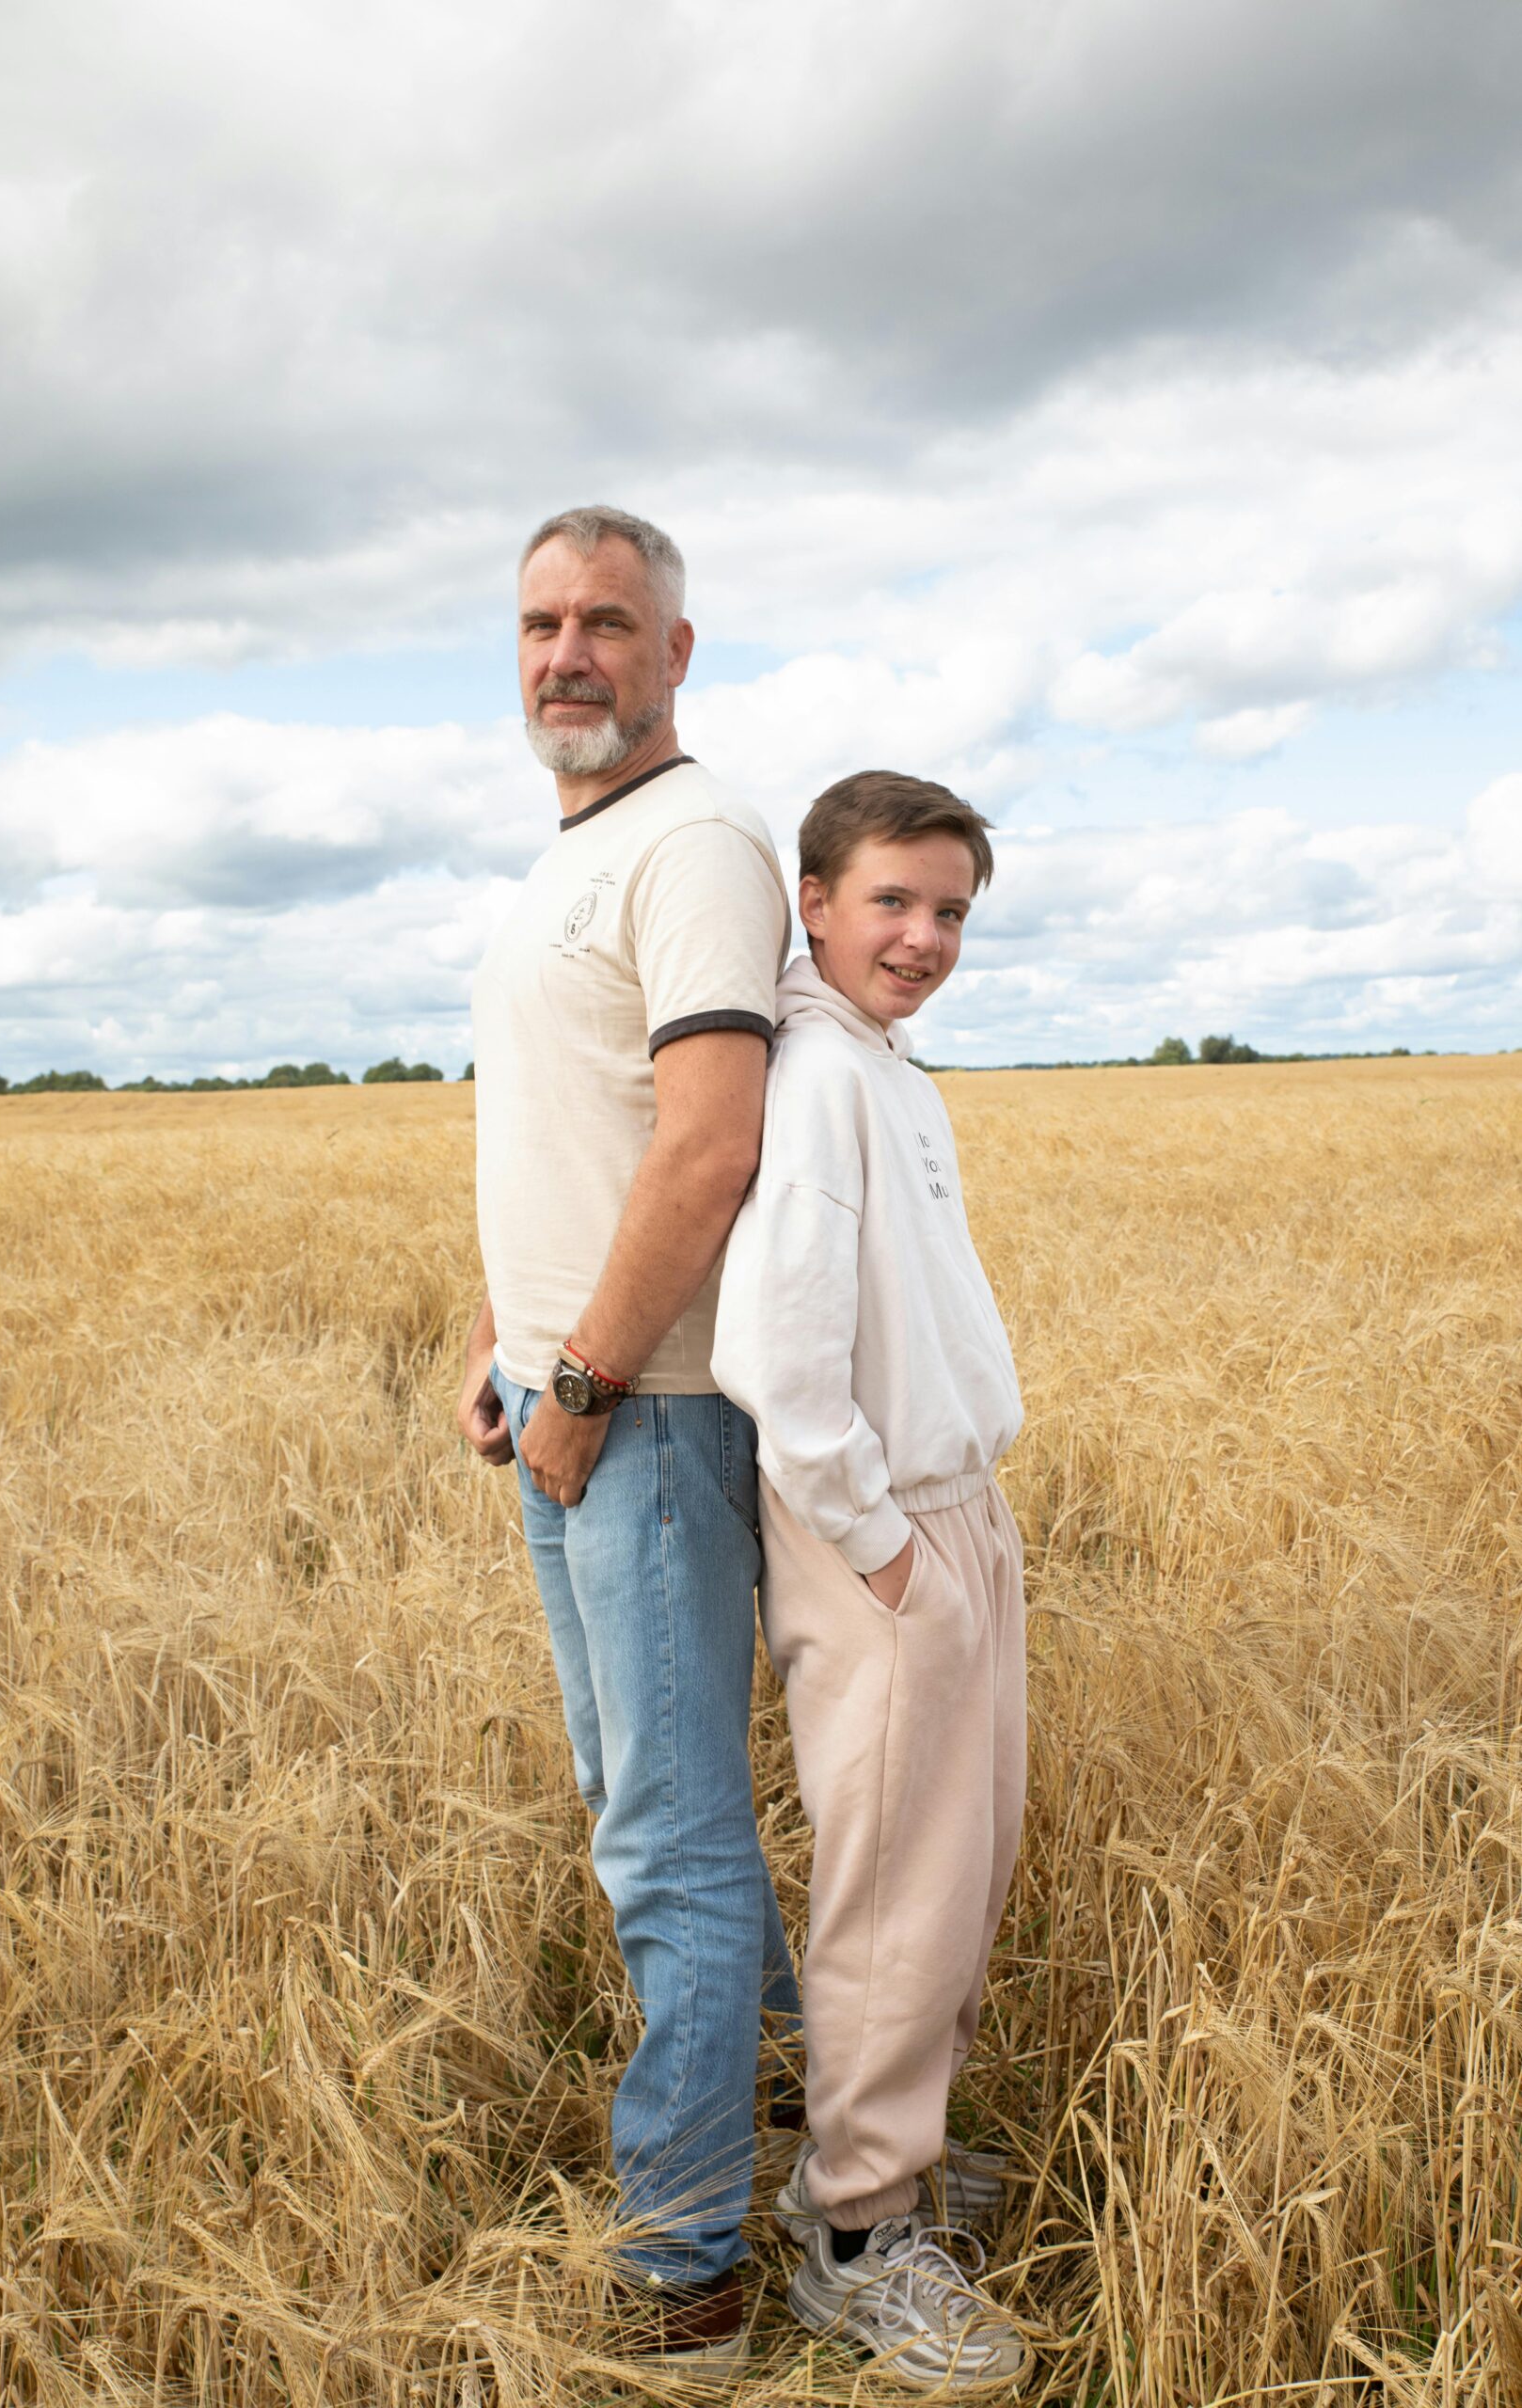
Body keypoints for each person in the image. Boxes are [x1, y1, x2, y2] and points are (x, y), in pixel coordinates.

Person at [458, 504, 799, 2376]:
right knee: (643, 1811)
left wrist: (582, 1380)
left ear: (677, 650)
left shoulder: (693, 842)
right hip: (565, 1399)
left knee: (663, 1836)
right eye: (536, 622)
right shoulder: (571, 853)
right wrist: (500, 1344)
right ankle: (806, 2137)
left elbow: (706, 1144)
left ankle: (687, 2263)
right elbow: (573, 1126)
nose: (565, 651)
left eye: (605, 621)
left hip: (645, 1420)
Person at [712, 770, 1029, 2395]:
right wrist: (890, 1550)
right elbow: (783, 1357)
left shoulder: (887, 1067)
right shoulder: (820, 1076)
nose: (923, 937)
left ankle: (885, 2167)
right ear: (815, 901)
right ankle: (850, 2237)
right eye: (892, 901)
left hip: (953, 1518)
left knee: (957, 1876)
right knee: (897, 1896)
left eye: (952, 910)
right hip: (880, 1537)